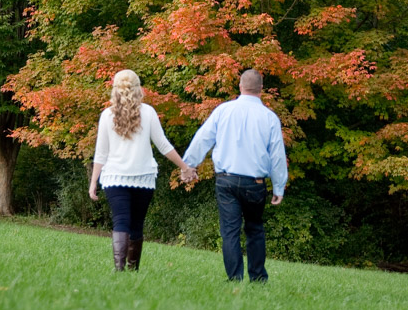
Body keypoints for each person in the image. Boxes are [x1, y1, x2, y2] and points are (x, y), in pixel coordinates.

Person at [180, 69, 288, 282]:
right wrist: (278, 187)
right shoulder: (270, 118)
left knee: (229, 231)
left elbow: (203, 139)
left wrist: (189, 165)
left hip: (226, 180)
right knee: (255, 229)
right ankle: (257, 277)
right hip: (255, 183)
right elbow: (277, 155)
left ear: (240, 86)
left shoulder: (223, 110)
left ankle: (234, 278)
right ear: (261, 89)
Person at [90, 69, 196, 271]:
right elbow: (163, 146)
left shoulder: (106, 115)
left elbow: (101, 152)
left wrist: (94, 181)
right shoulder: (148, 112)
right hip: (143, 177)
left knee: (120, 221)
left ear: (115, 90)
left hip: (114, 177)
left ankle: (119, 270)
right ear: (139, 88)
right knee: (137, 223)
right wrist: (185, 168)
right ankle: (133, 269)